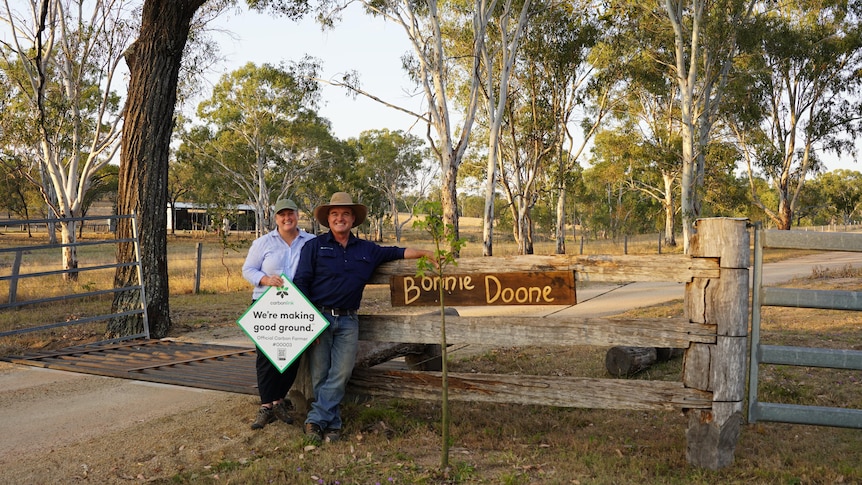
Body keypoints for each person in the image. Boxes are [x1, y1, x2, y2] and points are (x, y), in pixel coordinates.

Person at [294, 192, 434, 445]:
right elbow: (300, 282)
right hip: (319, 318)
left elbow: (397, 252)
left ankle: (315, 420)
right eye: (335, 214)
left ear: (353, 219)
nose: (340, 218)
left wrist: (426, 253)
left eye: (345, 214)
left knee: (342, 372)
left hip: (348, 321)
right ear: (328, 219)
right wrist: (308, 322)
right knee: (320, 373)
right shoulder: (313, 246)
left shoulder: (367, 249)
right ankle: (331, 425)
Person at [241, 198, 315, 430]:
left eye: (290, 213)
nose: (286, 218)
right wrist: (265, 279)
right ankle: (266, 406)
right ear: (276, 218)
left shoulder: (310, 242)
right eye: (281, 214)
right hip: (267, 304)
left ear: (297, 215)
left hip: (297, 306)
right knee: (266, 357)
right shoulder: (263, 243)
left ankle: (278, 400)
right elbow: (248, 269)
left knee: (291, 356)